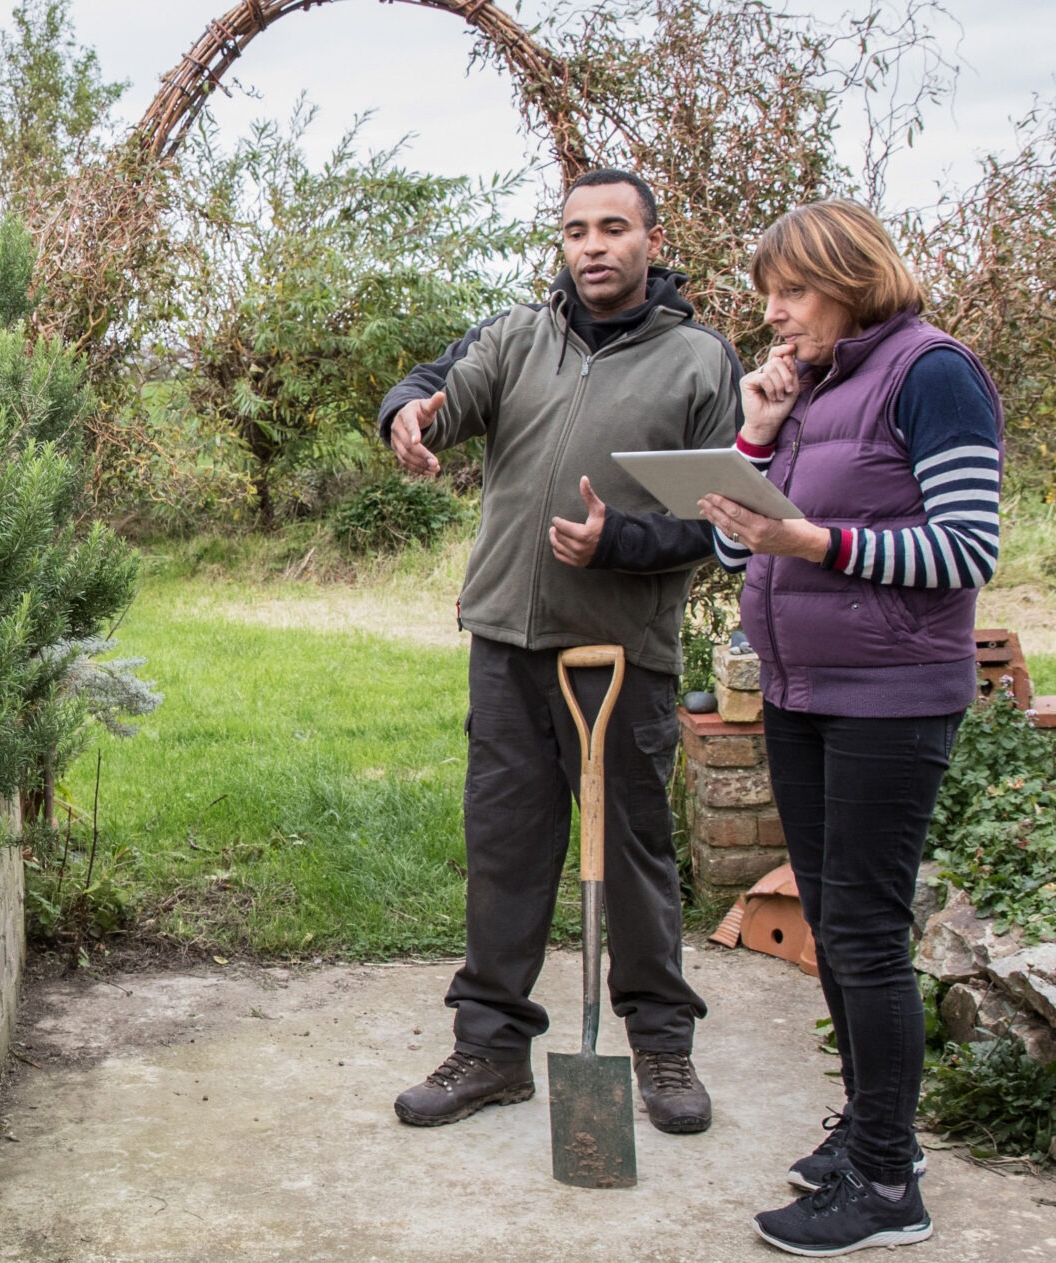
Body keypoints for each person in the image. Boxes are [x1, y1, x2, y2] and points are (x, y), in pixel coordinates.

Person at [378, 168, 742, 1134]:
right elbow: (431, 390)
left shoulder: (704, 363)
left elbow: (721, 523)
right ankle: (491, 1049)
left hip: (622, 652)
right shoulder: (515, 337)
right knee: (504, 847)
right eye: (576, 230)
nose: (592, 246)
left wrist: (618, 540)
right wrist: (408, 420)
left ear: (651, 241)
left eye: (613, 228)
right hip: (505, 642)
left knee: (633, 852)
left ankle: (662, 1047)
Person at [699, 199, 1002, 1257]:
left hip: (891, 699)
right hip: (801, 692)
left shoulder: (932, 373)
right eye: (768, 299)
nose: (774, 318)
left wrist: (816, 540)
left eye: (791, 294)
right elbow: (743, 556)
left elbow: (966, 549)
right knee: (839, 928)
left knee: (867, 935)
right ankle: (878, 1137)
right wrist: (757, 436)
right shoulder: (818, 389)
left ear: (850, 278)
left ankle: (884, 1187)